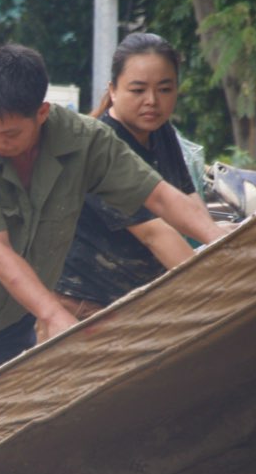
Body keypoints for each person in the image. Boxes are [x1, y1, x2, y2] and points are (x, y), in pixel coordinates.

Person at [0, 44, 227, 443]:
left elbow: (160, 198)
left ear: (42, 113)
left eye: (9, 133)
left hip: (10, 318)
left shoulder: (86, 141)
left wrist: (221, 244)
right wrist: (53, 316)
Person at [54, 32, 204, 321]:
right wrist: (215, 289)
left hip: (137, 301)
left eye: (164, 89)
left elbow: (191, 207)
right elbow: (154, 233)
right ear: (113, 90)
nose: (152, 101)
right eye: (138, 90)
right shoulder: (98, 144)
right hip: (85, 307)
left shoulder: (162, 132)